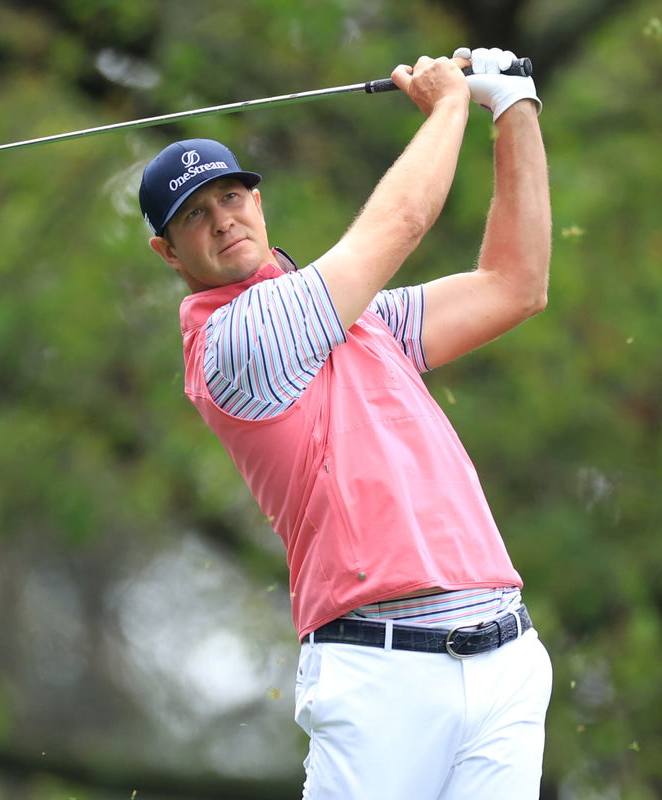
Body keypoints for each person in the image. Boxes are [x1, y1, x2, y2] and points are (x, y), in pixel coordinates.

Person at [138, 47, 552, 799]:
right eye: (194, 215)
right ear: (168, 251)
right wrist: (451, 102)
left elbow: (514, 285)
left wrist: (515, 108)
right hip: (381, 673)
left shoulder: (364, 323)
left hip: (504, 655)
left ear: (258, 203)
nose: (223, 220)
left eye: (232, 197)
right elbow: (399, 222)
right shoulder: (238, 343)